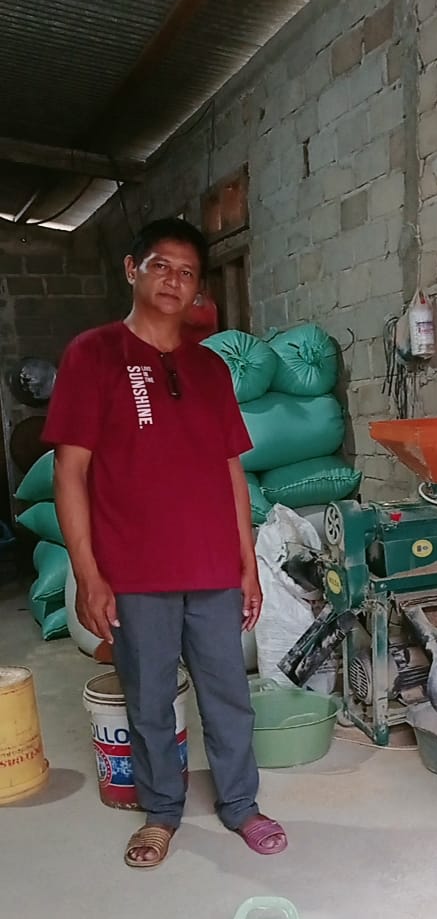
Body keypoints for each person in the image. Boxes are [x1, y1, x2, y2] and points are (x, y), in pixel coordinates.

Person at [43, 217, 287, 868]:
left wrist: (248, 564)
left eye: (186, 272)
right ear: (132, 269)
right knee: (149, 698)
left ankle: (241, 805)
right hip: (135, 571)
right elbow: (70, 471)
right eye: (161, 266)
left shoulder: (209, 368)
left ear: (197, 287)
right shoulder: (93, 354)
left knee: (228, 695)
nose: (173, 281)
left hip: (211, 567)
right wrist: (89, 574)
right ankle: (161, 813)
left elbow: (231, 470)